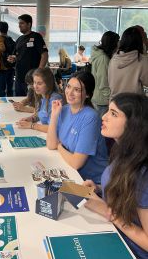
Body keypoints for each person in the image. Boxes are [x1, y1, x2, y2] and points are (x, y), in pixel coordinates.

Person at [84, 93, 148, 259]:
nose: (103, 116)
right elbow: (125, 191)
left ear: (133, 125)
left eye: (114, 114)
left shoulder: (143, 176)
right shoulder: (123, 152)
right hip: (113, 234)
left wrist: (110, 213)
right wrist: (98, 188)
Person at [47, 72, 108, 184]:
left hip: (93, 182)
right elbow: (51, 145)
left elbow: (76, 163)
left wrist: (59, 146)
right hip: (71, 172)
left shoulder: (90, 118)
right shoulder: (64, 109)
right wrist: (54, 116)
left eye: (77, 90)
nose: (69, 93)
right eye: (68, 86)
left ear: (88, 94)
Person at [8, 14, 48, 96]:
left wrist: (39, 72)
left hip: (32, 78)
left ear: (29, 24)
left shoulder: (36, 36)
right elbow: (17, 55)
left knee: (33, 102)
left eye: (22, 23)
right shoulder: (19, 39)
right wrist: (13, 58)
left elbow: (44, 54)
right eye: (19, 23)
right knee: (19, 100)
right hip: (19, 78)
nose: (19, 26)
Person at [17, 67, 62, 133]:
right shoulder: (40, 95)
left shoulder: (55, 99)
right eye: (34, 82)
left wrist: (32, 125)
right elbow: (42, 114)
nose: (35, 86)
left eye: (39, 83)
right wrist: (31, 119)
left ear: (48, 84)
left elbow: (53, 128)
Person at [108, 26, 148, 100]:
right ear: (140, 41)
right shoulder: (141, 60)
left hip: (115, 101)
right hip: (133, 104)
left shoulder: (114, 58)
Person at [91, 31, 119, 117]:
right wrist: (111, 99)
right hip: (102, 100)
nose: (119, 45)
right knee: (101, 127)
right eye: (118, 41)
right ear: (112, 44)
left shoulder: (99, 55)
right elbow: (103, 83)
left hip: (97, 97)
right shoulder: (103, 59)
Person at [0, 21, 15, 97]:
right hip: (10, 67)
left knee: (0, 90)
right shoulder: (10, 39)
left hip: (2, 68)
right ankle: (10, 106)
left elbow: (2, 48)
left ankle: (1, 108)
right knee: (10, 89)